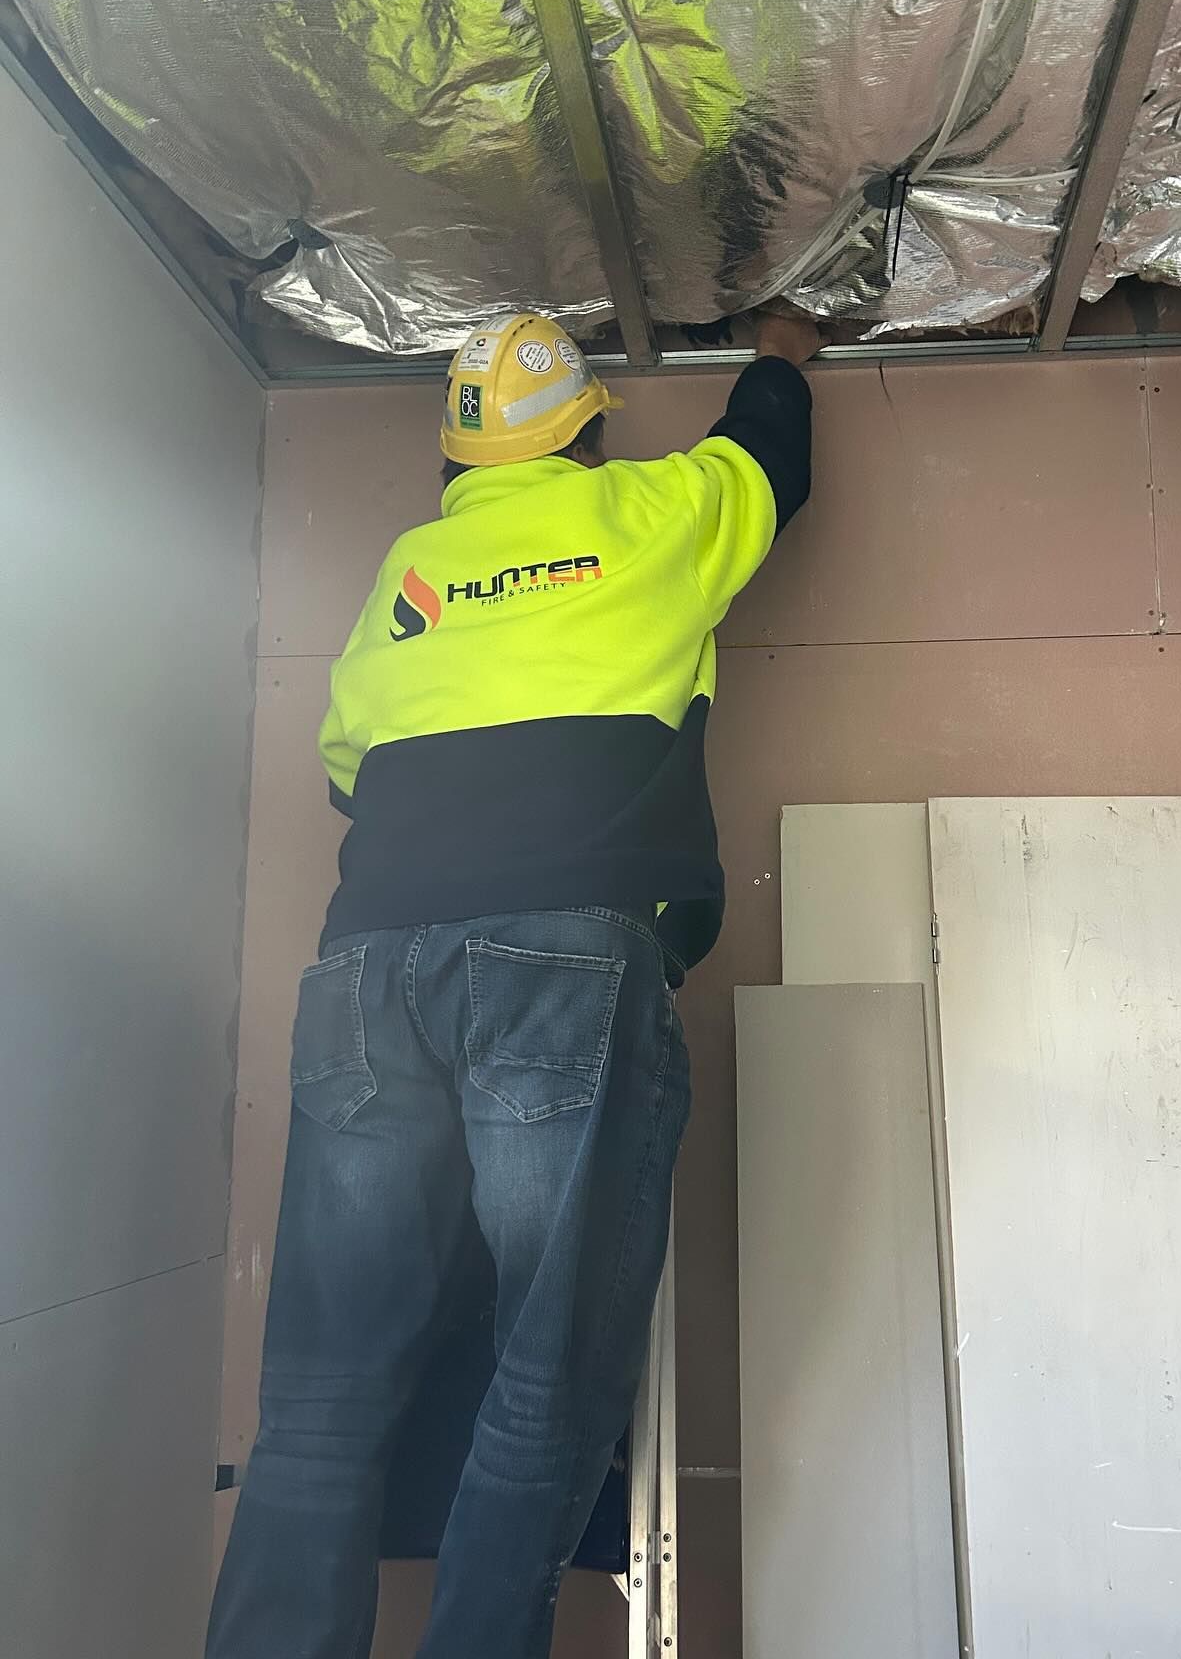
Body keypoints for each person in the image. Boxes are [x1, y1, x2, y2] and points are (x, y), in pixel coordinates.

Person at [206, 307, 823, 1659]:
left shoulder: (411, 572)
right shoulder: (657, 511)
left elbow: (345, 767)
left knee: (319, 1398)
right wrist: (780, 351)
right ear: (589, 430)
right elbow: (768, 455)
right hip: (558, 963)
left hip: (372, 964)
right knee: (544, 1381)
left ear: (457, 459)